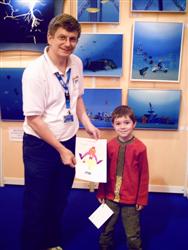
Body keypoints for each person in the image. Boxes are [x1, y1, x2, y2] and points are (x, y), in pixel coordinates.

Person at [22, 13, 100, 250]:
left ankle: (52, 242)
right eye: (62, 38)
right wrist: (61, 150)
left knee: (59, 199)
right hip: (41, 146)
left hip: (69, 140)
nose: (67, 43)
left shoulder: (76, 62)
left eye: (73, 38)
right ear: (50, 37)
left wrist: (87, 122)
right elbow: (33, 119)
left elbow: (76, 98)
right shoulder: (35, 72)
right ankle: (33, 245)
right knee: (38, 202)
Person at [97, 105, 149, 250]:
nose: (123, 127)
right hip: (110, 196)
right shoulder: (109, 145)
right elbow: (102, 171)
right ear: (113, 125)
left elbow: (144, 175)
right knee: (106, 228)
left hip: (131, 199)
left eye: (126, 123)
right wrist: (101, 192)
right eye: (118, 123)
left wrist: (141, 199)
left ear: (134, 124)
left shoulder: (140, 147)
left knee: (132, 232)